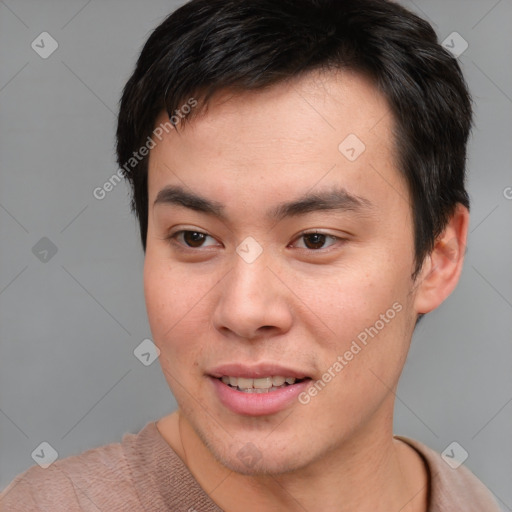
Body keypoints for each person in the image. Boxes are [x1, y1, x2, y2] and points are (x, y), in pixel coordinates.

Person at [0, 0, 501, 510]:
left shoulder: (469, 500)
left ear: (439, 255)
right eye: (195, 238)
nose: (244, 310)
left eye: (315, 240)